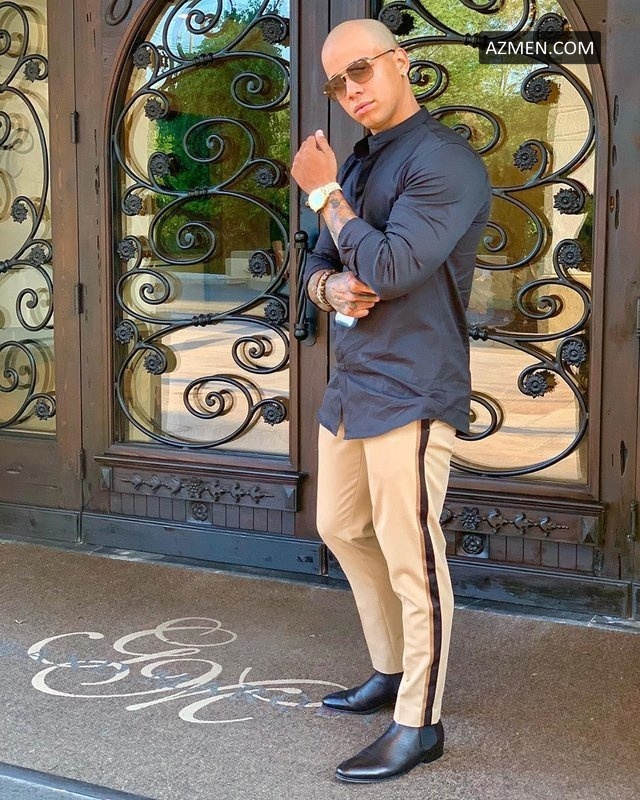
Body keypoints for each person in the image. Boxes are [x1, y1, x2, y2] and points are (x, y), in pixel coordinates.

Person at [291, 18, 492, 784]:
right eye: (337, 82)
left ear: (400, 61)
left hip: (413, 382)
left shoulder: (444, 161)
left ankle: (419, 722)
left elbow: (394, 266)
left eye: (361, 70)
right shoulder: (360, 159)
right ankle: (391, 668)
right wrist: (328, 287)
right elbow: (320, 261)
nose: (351, 91)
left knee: (413, 556)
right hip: (354, 380)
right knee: (340, 525)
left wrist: (326, 195)